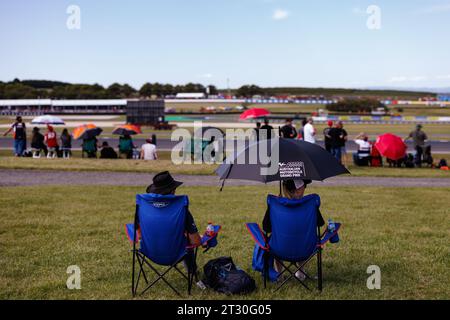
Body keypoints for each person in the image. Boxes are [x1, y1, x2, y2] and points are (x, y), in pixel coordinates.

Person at [262, 179, 325, 280]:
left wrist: (278, 204)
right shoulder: (310, 204)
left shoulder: (275, 204)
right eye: (304, 186)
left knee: (275, 238)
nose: (305, 188)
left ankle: (279, 274)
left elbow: (266, 227)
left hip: (280, 249)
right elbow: (320, 223)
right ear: (298, 189)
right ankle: (300, 272)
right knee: (304, 237)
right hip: (305, 249)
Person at [146, 171, 202, 271]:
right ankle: (192, 271)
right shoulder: (181, 209)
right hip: (177, 253)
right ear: (172, 190)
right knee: (189, 240)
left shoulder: (145, 208)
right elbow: (196, 241)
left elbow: (140, 235)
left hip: (151, 252)